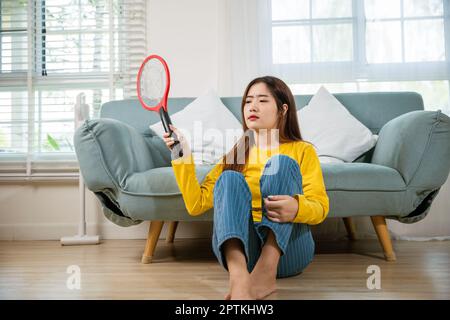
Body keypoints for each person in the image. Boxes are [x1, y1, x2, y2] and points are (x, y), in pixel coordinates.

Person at [163, 76, 329, 300]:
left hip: (289, 251)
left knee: (281, 165)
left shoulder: (302, 151)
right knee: (229, 178)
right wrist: (183, 154)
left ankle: (267, 271)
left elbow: (320, 206)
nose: (252, 106)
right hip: (245, 255)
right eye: (248, 101)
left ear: (283, 109)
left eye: (262, 100)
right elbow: (196, 204)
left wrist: (297, 207)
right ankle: (239, 278)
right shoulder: (237, 154)